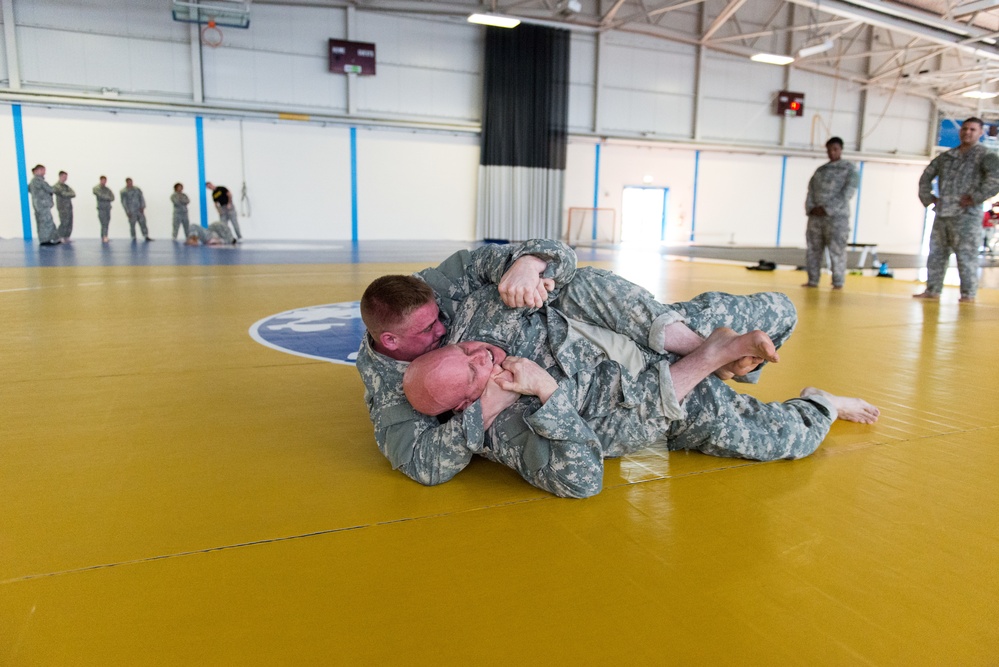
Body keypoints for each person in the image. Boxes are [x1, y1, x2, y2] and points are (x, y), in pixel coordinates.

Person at [357, 240, 800, 489]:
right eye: (429, 331)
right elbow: (423, 463)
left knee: (781, 310)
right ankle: (722, 362)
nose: (444, 328)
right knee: (775, 435)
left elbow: (560, 260)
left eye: (439, 317)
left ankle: (705, 349)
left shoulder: (451, 291)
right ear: (391, 341)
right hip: (633, 396)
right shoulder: (397, 393)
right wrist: (489, 406)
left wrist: (527, 265)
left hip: (629, 331)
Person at [404, 321, 878, 497]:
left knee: (774, 311)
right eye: (471, 372)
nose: (482, 356)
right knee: (781, 440)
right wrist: (547, 391)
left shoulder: (487, 332)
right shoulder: (504, 430)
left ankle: (717, 352)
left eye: (466, 351)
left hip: (647, 353)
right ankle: (824, 402)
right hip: (660, 409)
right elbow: (582, 480)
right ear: (467, 403)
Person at [916, 116, 999, 303]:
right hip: (943, 213)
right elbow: (926, 177)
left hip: (967, 216)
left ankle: (968, 294)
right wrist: (929, 199)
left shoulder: (986, 156)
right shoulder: (946, 157)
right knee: (936, 254)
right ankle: (932, 289)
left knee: (966, 256)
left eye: (972, 129)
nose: (967, 132)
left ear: (981, 132)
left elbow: (995, 180)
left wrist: (976, 197)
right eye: (965, 128)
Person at [803, 137, 859, 290]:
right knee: (813, 250)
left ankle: (838, 282)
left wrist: (827, 209)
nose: (831, 152)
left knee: (837, 251)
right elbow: (811, 191)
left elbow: (847, 193)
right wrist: (811, 208)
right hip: (816, 218)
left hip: (837, 219)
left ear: (840, 149)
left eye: (835, 149)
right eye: (829, 149)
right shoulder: (821, 170)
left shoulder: (850, 169)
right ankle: (812, 280)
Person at [27, 164, 61, 246]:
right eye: (43, 170)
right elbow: (50, 189)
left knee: (45, 222)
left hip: (40, 206)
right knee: (46, 223)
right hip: (42, 206)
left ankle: (49, 239)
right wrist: (55, 189)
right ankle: (45, 240)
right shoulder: (38, 181)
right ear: (37, 170)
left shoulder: (34, 181)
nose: (44, 172)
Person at [52, 170, 76, 242]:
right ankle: (60, 236)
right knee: (64, 222)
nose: (65, 178)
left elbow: (73, 194)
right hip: (62, 207)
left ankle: (67, 236)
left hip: (69, 207)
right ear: (60, 176)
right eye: (64, 176)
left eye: (66, 177)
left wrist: (67, 193)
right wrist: (68, 194)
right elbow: (63, 194)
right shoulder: (56, 186)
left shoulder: (66, 186)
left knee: (69, 222)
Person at [93, 176, 115, 243]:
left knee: (107, 223)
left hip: (107, 208)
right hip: (101, 208)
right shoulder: (96, 188)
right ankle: (104, 236)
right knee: (103, 223)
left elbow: (112, 197)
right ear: (100, 180)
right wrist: (107, 197)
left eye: (105, 180)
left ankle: (105, 236)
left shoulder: (107, 189)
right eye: (103, 180)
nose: (104, 182)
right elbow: (100, 195)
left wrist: (107, 197)